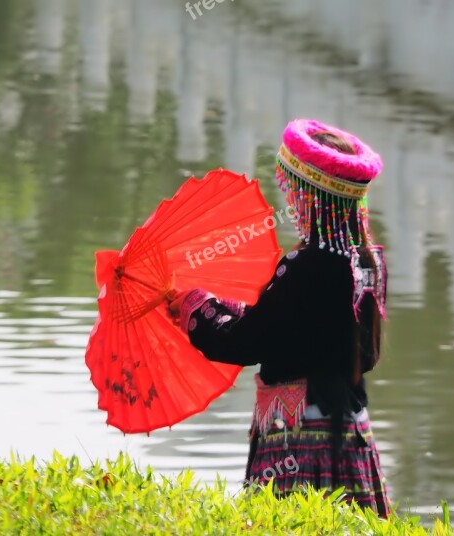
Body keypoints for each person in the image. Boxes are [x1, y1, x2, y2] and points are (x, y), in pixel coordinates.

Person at [167, 118, 391, 517]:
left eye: (294, 192)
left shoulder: (303, 265)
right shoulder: (368, 261)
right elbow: (356, 351)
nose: (292, 203)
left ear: (311, 197)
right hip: (351, 430)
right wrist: (223, 306)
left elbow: (244, 342)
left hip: (298, 438)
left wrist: (195, 305)